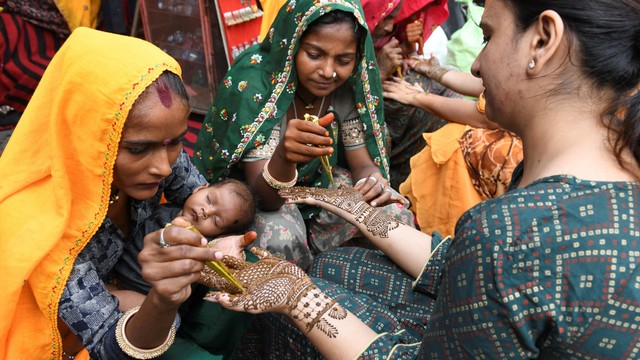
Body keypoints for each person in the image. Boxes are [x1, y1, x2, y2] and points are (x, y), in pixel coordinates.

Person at [201, 0, 640, 357]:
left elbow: (499, 268)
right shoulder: (604, 171)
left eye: (487, 36)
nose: (475, 66)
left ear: (543, 40)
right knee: (340, 263)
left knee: (294, 307)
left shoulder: (506, 232)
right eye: (315, 53)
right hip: (277, 200)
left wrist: (299, 298)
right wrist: (361, 212)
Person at [0, 27, 250, 359]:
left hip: (123, 287)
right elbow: (108, 347)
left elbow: (201, 193)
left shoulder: (156, 149)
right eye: (137, 149)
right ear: (87, 138)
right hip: (68, 329)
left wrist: (225, 240)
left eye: (176, 141)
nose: (163, 167)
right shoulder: (46, 228)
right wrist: (161, 299)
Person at [193, 0, 413, 270]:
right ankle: (293, 298)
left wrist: (373, 180)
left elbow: (362, 164)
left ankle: (352, 277)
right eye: (315, 54)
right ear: (292, 45)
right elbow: (267, 198)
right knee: (279, 233)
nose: (328, 71)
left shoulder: (345, 88)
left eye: (343, 60)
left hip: (318, 184)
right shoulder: (259, 87)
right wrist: (285, 156)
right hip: (257, 196)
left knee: (391, 212)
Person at [361, 0, 462, 189]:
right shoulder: (343, 33)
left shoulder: (385, 35)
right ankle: (404, 182)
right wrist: (379, 73)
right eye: (386, 17)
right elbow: (341, 93)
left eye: (395, 18)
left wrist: (405, 50)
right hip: (360, 121)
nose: (391, 26)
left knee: (443, 98)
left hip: (389, 94)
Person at [114, 178, 257, 296]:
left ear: (220, 234)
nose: (206, 211)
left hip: (144, 295)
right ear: (200, 189)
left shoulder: (198, 244)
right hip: (116, 273)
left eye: (216, 221)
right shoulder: (167, 207)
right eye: (209, 199)